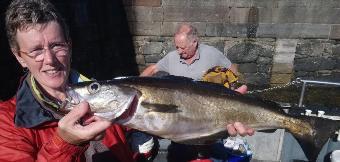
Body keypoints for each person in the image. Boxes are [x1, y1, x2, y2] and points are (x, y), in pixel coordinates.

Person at [0, 0, 156, 161]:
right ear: (20, 57)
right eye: (36, 50)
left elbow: (129, 143)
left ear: (70, 46)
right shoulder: (6, 122)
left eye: (57, 46)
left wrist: (140, 145)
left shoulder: (104, 92)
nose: (50, 60)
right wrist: (65, 143)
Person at [141, 23, 254, 161]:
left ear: (194, 42)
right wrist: (139, 87)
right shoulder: (171, 57)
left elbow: (232, 70)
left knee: (213, 150)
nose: (179, 51)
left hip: (209, 117)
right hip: (181, 121)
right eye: (176, 47)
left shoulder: (212, 54)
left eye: (182, 47)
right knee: (178, 154)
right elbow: (153, 69)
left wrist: (234, 90)